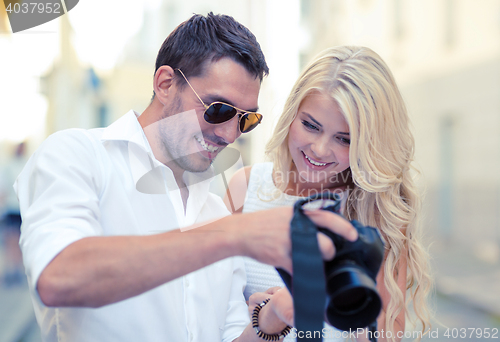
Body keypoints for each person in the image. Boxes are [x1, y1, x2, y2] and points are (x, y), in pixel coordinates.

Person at [14, 13, 358, 342]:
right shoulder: (78, 155)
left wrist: (272, 321)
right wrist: (237, 235)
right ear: (165, 83)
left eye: (245, 120)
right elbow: (58, 276)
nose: (228, 134)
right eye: (218, 110)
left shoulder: (215, 211)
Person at [224, 46, 433, 342]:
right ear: (291, 114)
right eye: (310, 125)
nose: (320, 149)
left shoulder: (377, 210)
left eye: (344, 139)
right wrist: (270, 318)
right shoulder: (244, 188)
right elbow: (210, 323)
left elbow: (384, 334)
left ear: (369, 144)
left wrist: (347, 308)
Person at [0, 141, 27, 286]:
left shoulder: (26, 163)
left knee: (20, 239)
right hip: (11, 208)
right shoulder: (8, 166)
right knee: (11, 239)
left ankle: (17, 269)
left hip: (21, 209)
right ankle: (11, 269)